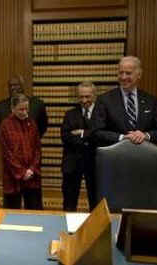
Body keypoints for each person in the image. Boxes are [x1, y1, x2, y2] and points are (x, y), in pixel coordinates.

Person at [92, 56, 157, 146]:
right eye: (120, 73)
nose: (123, 77)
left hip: (144, 155)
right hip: (115, 156)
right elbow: (96, 132)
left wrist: (146, 135)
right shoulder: (104, 100)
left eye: (128, 73)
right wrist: (122, 137)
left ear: (139, 75)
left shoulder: (151, 101)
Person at [0, 93, 43, 210]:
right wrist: (22, 172)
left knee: (35, 211)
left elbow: (37, 149)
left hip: (32, 175)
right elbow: (7, 154)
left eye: (26, 109)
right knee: (12, 213)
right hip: (13, 176)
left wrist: (32, 169)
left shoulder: (32, 123)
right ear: (12, 109)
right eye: (20, 109)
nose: (24, 112)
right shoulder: (5, 125)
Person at [61, 81, 97, 212]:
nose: (84, 100)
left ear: (94, 96)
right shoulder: (70, 114)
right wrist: (89, 139)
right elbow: (65, 137)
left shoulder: (101, 114)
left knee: (95, 201)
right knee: (69, 202)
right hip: (72, 163)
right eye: (81, 97)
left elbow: (101, 135)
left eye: (87, 96)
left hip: (94, 163)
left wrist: (81, 133)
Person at [0, 75, 48, 140]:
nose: (13, 88)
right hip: (10, 147)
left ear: (22, 86)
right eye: (10, 86)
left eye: (16, 85)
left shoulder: (37, 104)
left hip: (30, 145)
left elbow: (42, 127)